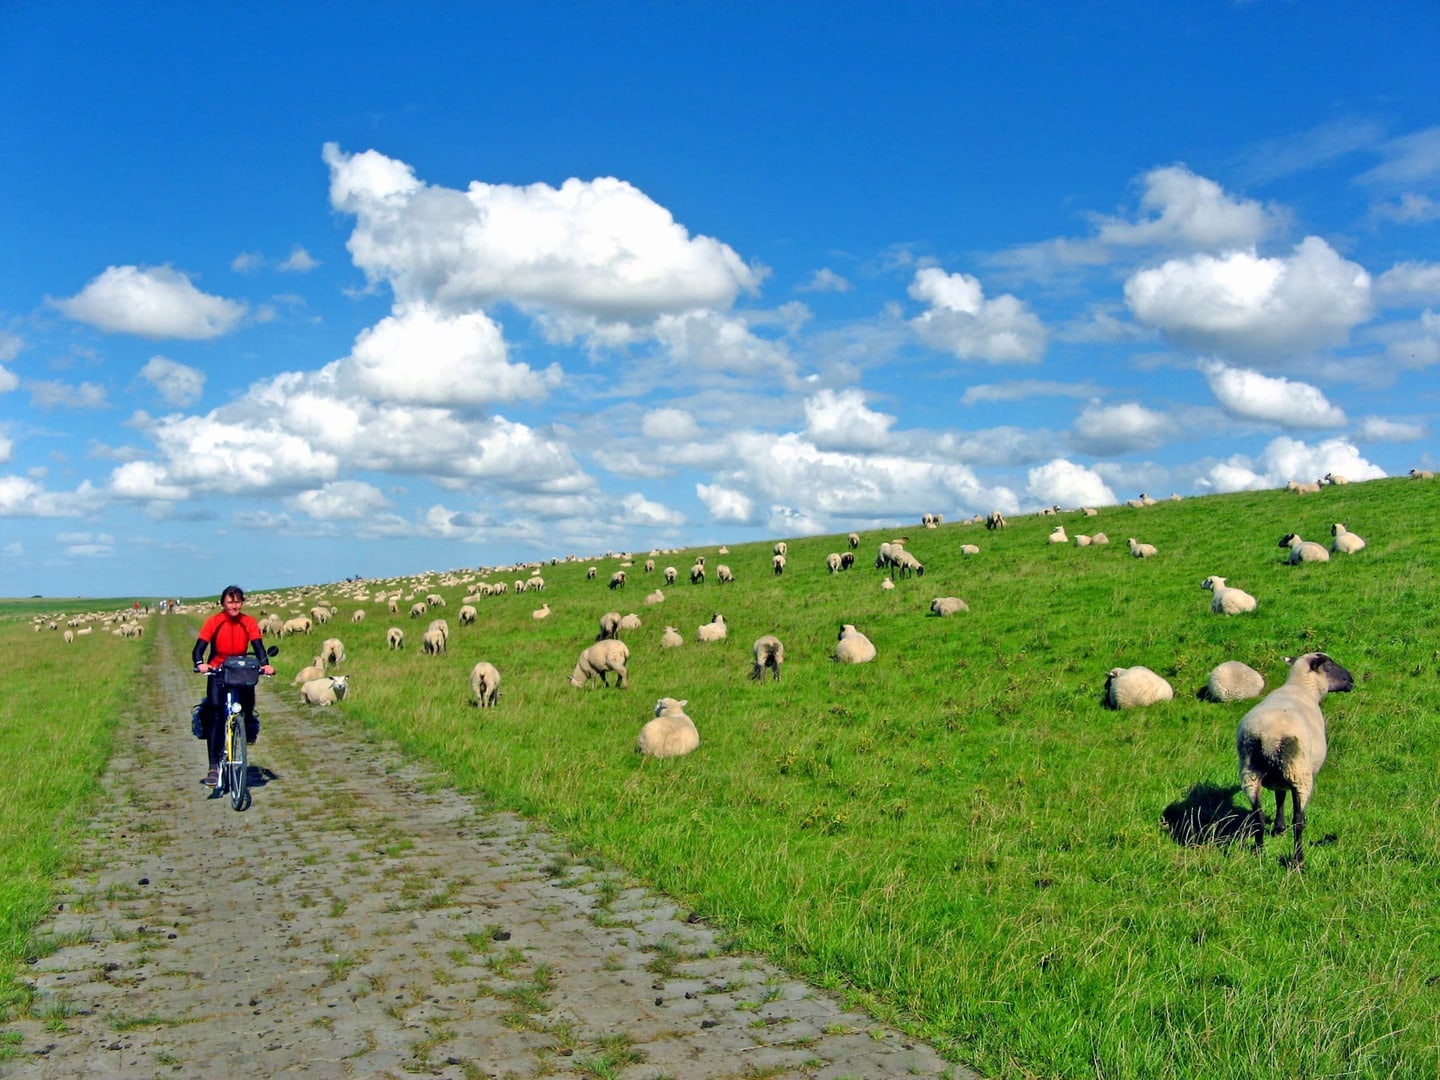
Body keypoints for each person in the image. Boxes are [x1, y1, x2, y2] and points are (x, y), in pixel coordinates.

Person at [192, 585, 274, 787]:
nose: (234, 606)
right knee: (216, 714)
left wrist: (265, 665)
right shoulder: (214, 622)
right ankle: (213, 767)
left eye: (238, 602)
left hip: (241, 670)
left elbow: (258, 646)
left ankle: (247, 728)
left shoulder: (248, 622)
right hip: (218, 670)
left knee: (247, 707)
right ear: (223, 603)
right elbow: (199, 649)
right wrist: (200, 664)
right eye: (230, 602)